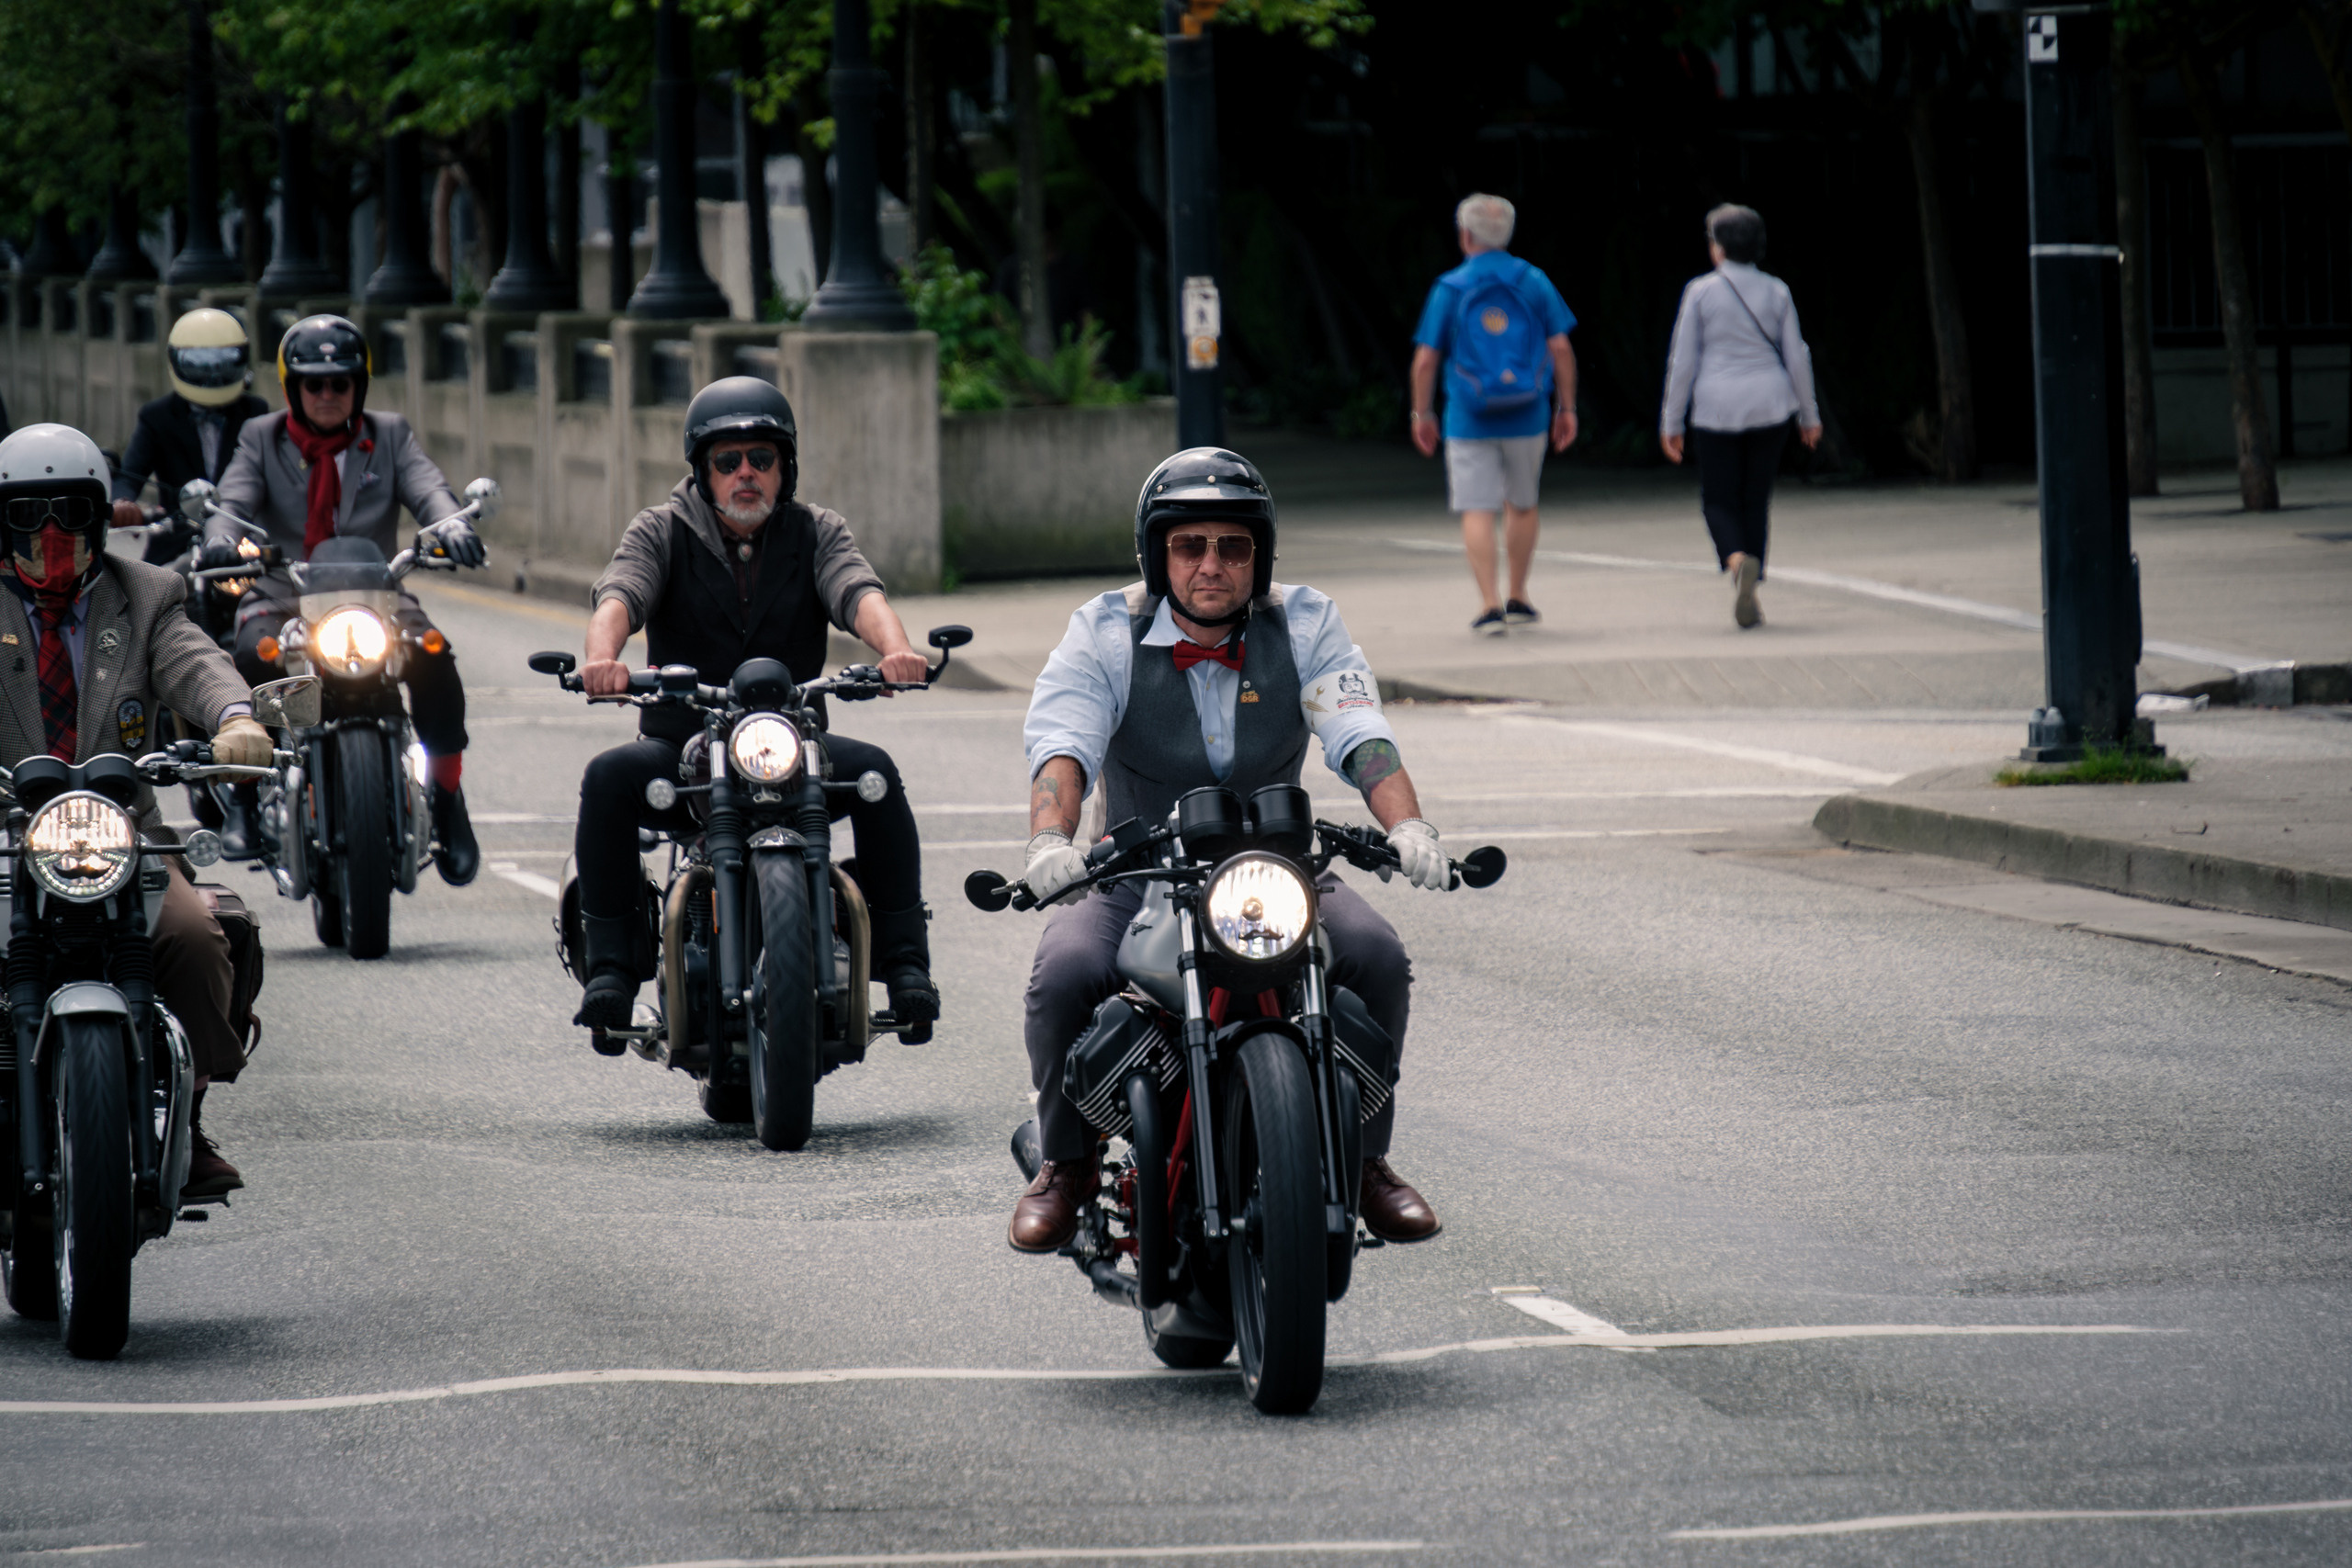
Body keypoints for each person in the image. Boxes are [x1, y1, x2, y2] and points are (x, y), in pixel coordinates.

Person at [1010, 446, 1453, 1255]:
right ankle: (1067, 1163)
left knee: (1378, 956)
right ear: (1158, 554)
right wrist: (1050, 839)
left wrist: (1408, 828)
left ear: (1261, 555)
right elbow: (1063, 745)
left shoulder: (1307, 620)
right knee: (1064, 974)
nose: (1211, 564)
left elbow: (1360, 736)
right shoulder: (1106, 628)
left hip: (1279, 868)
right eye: (1190, 546)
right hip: (1138, 873)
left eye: (1233, 546)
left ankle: (1363, 1158)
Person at [571, 377, 941, 1043]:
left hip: (792, 746)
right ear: (703, 471)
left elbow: (856, 589)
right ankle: (611, 973)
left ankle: (905, 961)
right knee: (606, 778)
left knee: (876, 776)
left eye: (761, 459)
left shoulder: (814, 531)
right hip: (683, 749)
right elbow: (620, 594)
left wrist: (897, 651)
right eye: (728, 461)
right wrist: (603, 660)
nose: (746, 473)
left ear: (784, 468)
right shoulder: (662, 529)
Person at [0, 423, 275, 1198]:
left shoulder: (147, 593)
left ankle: (185, 1117)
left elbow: (196, 662)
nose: (50, 532)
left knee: (191, 935)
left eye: (69, 512)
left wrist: (237, 717)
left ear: (98, 515)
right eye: (27, 513)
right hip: (3, 833)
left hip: (120, 834)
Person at [207, 314, 483, 879]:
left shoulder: (390, 434)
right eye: (314, 383)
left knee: (433, 652)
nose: (328, 394)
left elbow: (428, 487)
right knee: (248, 655)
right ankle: (241, 795)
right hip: (285, 591)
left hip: (375, 592)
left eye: (341, 382)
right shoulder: (262, 438)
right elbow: (232, 500)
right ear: (293, 388)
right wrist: (217, 540)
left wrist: (453, 524)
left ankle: (450, 802)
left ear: (360, 385)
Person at [1409, 194, 1579, 637]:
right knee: (1522, 502)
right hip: (1528, 412)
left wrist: (1421, 412)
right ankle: (1519, 595)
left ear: (1465, 235)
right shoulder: (1534, 280)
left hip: (1469, 415)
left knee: (1477, 508)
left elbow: (1426, 359)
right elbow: (1560, 347)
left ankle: (1489, 605)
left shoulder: (1451, 286)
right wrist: (1567, 407)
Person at [1658, 204, 1823, 630]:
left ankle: (1736, 562)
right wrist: (1809, 414)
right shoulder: (1777, 291)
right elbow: (1796, 356)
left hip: (1716, 407)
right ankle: (1753, 579)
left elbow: (1683, 361)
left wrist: (1671, 422)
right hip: (1770, 405)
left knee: (1717, 497)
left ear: (1718, 248)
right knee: (1755, 496)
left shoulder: (1700, 292)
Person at [110, 308, 270, 565]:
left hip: (241, 541)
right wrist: (121, 502)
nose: (212, 375)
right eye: (198, 364)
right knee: (157, 596)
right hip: (178, 539)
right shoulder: (156, 416)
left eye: (223, 363)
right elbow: (131, 473)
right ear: (175, 361)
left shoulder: (256, 412)